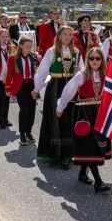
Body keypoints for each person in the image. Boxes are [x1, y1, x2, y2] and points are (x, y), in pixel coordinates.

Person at [56, 46, 112, 193]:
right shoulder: (81, 75)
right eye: (91, 58)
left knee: (93, 144)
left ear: (102, 60)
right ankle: (98, 182)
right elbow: (69, 90)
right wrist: (61, 107)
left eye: (98, 58)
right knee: (89, 145)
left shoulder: (105, 74)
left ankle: (82, 173)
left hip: (99, 112)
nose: (95, 61)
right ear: (87, 60)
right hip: (84, 112)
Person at [35, 25, 82, 167]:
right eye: (65, 34)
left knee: (69, 119)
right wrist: (36, 89)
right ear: (59, 36)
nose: (68, 37)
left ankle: (67, 154)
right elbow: (42, 71)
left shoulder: (76, 52)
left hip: (71, 86)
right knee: (56, 119)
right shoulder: (52, 51)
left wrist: (81, 70)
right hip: (56, 86)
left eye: (70, 34)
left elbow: (84, 70)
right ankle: (56, 153)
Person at [7, 36, 38, 143]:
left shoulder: (32, 56)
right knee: (24, 110)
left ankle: (29, 132)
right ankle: (22, 134)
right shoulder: (13, 58)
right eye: (27, 46)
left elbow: (35, 71)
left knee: (32, 110)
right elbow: (9, 74)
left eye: (31, 46)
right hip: (20, 86)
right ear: (20, 46)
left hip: (31, 85)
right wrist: (8, 88)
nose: (29, 48)